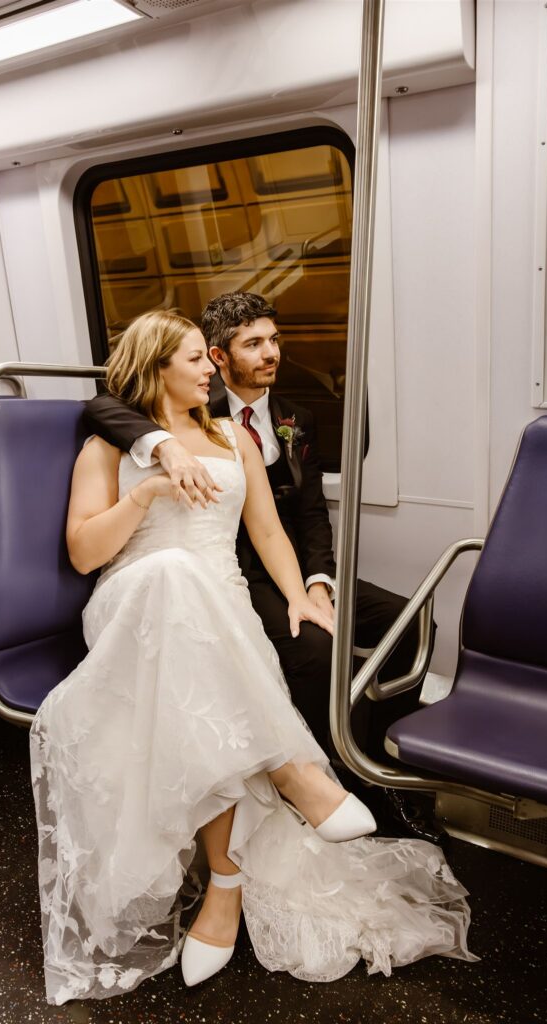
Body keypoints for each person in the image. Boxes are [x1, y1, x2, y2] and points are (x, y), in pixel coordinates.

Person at [30, 309, 475, 1005]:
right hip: (135, 603)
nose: (211, 368)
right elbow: (86, 552)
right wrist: (146, 490)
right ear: (157, 369)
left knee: (203, 692)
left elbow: (266, 530)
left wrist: (300, 595)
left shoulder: (232, 437)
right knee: (173, 574)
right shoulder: (109, 448)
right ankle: (292, 770)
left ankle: (227, 888)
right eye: (194, 360)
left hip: (222, 614)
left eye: (209, 359)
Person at [85, 292, 439, 840]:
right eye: (254, 344)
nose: (272, 353)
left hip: (282, 564)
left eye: (274, 340)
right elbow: (101, 405)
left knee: (411, 621)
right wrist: (162, 449)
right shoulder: (173, 417)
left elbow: (306, 513)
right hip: (224, 570)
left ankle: (381, 765)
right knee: (316, 648)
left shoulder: (294, 415)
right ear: (221, 357)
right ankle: (316, 771)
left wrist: (315, 583)